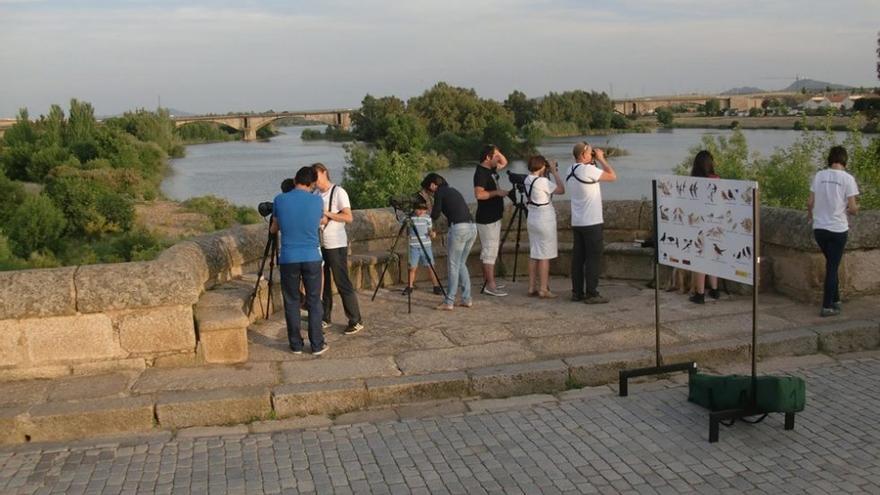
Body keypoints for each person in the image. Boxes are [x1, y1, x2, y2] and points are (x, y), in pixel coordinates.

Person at [271, 166, 328, 355]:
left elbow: (275, 228)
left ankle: (295, 344)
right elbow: (320, 221)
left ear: (295, 179)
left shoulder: (280, 200)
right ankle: (317, 344)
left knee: (292, 301)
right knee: (314, 301)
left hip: (289, 258)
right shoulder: (317, 200)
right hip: (312, 256)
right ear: (312, 183)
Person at [807, 146, 859, 317]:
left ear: (830, 159)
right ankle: (827, 305)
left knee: (832, 264)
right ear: (845, 160)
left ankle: (836, 300)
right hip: (837, 229)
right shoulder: (848, 179)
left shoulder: (819, 175)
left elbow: (810, 202)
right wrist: (856, 208)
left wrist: (811, 216)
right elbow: (852, 208)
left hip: (819, 229)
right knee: (832, 267)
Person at [312, 163, 364, 335]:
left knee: (342, 282)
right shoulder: (315, 194)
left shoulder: (338, 192)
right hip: (321, 243)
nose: (314, 180)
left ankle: (355, 319)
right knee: (323, 282)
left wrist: (328, 214)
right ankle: (325, 317)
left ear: (324, 173)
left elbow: (348, 217)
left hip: (336, 244)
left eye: (316, 176)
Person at [566, 141, 618, 304]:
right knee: (593, 258)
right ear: (583, 155)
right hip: (592, 221)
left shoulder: (570, 169)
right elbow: (612, 176)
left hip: (578, 221)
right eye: (590, 153)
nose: (592, 156)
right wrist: (601, 159)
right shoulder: (589, 170)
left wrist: (593, 159)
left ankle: (577, 292)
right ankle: (592, 293)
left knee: (578, 259)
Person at [426, 173, 477, 311]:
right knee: (461, 264)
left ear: (432, 185)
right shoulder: (453, 190)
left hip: (459, 228)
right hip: (472, 227)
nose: (430, 193)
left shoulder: (439, 192)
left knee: (453, 265)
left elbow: (435, 214)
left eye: (429, 190)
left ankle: (449, 301)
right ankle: (467, 299)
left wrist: (428, 212)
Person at [524, 155, 565, 298]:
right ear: (542, 166)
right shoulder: (543, 182)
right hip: (544, 220)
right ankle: (543, 289)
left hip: (532, 219)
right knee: (544, 255)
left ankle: (531, 287)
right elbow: (561, 190)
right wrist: (554, 172)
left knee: (534, 253)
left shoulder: (527, 179)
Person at [473, 144, 509, 296]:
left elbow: (504, 162)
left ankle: (488, 281)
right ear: (488, 158)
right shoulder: (481, 173)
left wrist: (497, 151)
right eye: (494, 156)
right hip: (487, 218)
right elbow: (479, 195)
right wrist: (497, 193)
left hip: (494, 216)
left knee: (490, 251)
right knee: (490, 251)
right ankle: (490, 285)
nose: (498, 158)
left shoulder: (490, 169)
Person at [689, 150, 721, 304]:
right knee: (713, 256)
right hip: (715, 223)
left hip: (699, 224)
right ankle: (715, 290)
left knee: (699, 258)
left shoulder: (694, 181)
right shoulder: (717, 179)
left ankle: (700, 293)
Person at [402, 197, 442, 296]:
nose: (421, 212)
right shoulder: (410, 218)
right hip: (414, 246)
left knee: (430, 266)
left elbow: (429, 229)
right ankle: (410, 285)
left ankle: (436, 286)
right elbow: (402, 224)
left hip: (426, 245)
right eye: (418, 209)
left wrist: (432, 233)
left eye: (423, 210)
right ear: (414, 209)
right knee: (412, 267)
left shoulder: (427, 218)